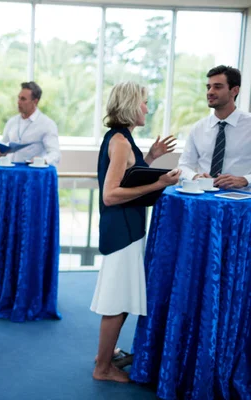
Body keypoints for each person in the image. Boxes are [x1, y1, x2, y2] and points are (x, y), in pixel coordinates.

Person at [92, 81, 179, 383]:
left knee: (121, 298)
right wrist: (158, 183)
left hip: (125, 229)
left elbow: (130, 175)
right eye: (143, 102)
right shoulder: (121, 142)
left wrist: (151, 158)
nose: (146, 108)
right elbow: (110, 194)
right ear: (130, 104)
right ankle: (102, 368)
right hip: (122, 232)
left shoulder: (121, 138)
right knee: (116, 303)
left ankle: (104, 356)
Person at [178, 65, 251, 189]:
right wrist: (196, 177)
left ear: (234, 90)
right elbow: (183, 166)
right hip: (203, 199)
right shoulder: (198, 128)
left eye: (217, 87)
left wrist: (245, 180)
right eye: (208, 87)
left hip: (241, 203)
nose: (210, 92)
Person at [0, 81, 60, 165]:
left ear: (35, 101)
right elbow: (3, 146)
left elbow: (55, 154)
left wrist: (42, 160)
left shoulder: (47, 124)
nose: (18, 102)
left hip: (31, 174)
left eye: (23, 99)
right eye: (19, 98)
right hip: (10, 173)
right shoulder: (12, 122)